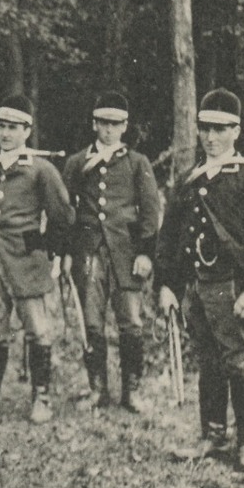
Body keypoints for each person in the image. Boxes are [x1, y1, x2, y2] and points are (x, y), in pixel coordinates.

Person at [156, 89, 244, 469]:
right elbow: (172, 237)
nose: (211, 138)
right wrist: (168, 285)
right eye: (204, 129)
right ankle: (212, 435)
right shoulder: (189, 180)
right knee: (208, 361)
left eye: (220, 129)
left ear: (236, 131)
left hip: (232, 288)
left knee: (238, 361)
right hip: (198, 288)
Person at [0, 94, 73, 423]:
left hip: (26, 263)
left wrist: (42, 248)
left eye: (13, 128)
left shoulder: (41, 170)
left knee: (38, 330)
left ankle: (42, 397)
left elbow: (63, 216)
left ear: (27, 130)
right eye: (2, 127)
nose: (5, 134)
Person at [61, 91, 163, 412]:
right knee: (91, 322)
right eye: (103, 123)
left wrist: (146, 252)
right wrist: (65, 252)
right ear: (94, 124)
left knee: (131, 323)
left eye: (115, 124)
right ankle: (98, 390)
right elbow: (65, 212)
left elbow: (150, 211)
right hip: (89, 254)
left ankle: (131, 391)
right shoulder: (77, 163)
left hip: (126, 255)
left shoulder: (137, 163)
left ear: (125, 126)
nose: (108, 130)